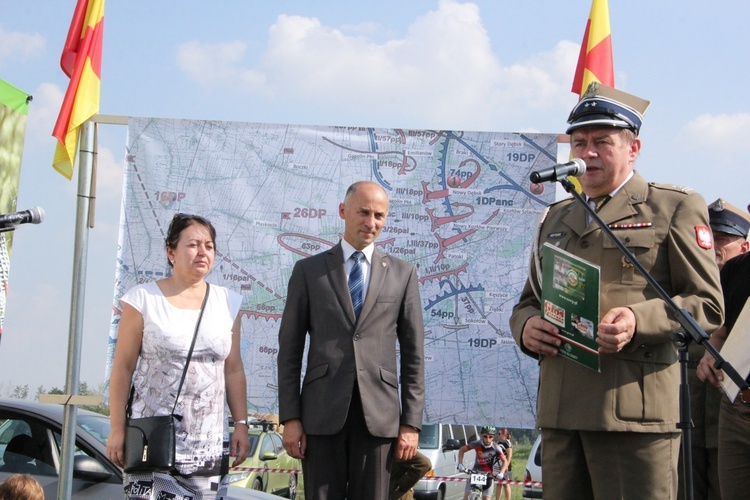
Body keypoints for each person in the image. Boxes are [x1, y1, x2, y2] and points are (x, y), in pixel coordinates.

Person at [509, 83, 724, 500]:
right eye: (579, 142)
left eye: (601, 143)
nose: (586, 153)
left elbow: (707, 303)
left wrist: (637, 319)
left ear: (633, 148)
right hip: (561, 410)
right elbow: (528, 301)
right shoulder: (554, 217)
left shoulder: (671, 208)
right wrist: (527, 327)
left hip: (632, 414)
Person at [278, 180, 425, 500]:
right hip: (320, 415)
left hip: (380, 419)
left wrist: (411, 424)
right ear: (343, 211)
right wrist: (290, 419)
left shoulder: (403, 273)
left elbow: (414, 355)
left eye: (379, 215)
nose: (371, 222)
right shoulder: (308, 271)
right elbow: (289, 352)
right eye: (363, 212)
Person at [107, 213, 250, 499]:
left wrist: (241, 425)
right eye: (193, 244)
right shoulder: (142, 299)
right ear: (170, 252)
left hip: (207, 445)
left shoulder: (228, 302)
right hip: (154, 441)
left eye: (209, 246)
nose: (202, 252)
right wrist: (116, 428)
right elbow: (123, 367)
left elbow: (233, 369)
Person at [680, 198, 750, 500]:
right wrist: (712, 352)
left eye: (723, 239)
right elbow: (719, 336)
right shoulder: (734, 272)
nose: (713, 245)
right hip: (719, 411)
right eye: (710, 237)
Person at [457, 425, 508, 500]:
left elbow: (505, 461)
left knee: (486, 498)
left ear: (493, 437)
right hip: (475, 473)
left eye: (490, 437)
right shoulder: (476, 444)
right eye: (485, 436)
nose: (487, 439)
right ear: (481, 436)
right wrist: (460, 464)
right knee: (466, 497)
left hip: (488, 475)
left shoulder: (496, 447)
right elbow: (462, 450)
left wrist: (501, 473)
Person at [494, 428, 513, 500]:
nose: (499, 435)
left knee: (506, 484)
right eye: (498, 434)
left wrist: (506, 466)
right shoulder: (499, 443)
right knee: (498, 484)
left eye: (500, 433)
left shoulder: (507, 443)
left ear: (504, 434)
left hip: (506, 466)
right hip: (498, 465)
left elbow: (509, 456)